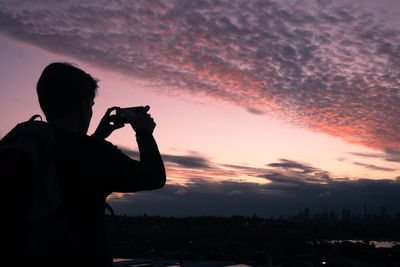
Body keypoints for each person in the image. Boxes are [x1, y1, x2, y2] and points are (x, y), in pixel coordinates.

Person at [35, 62, 166, 266]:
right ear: (82, 106)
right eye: (91, 105)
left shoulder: (31, 145)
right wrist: (144, 133)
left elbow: (73, 154)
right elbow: (155, 177)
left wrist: (97, 136)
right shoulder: (95, 153)